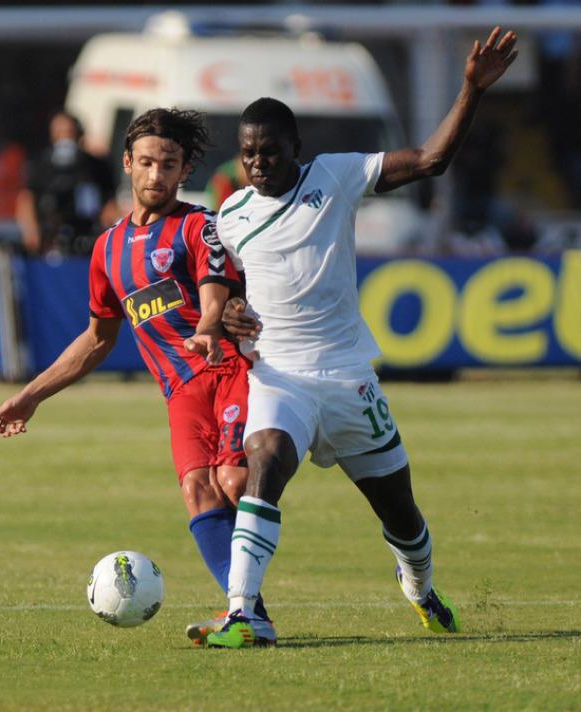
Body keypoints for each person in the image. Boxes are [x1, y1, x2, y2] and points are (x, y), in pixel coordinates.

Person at [204, 27, 518, 648]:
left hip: (347, 376)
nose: (258, 163)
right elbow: (229, 294)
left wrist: (471, 90)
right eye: (248, 153)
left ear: (296, 148)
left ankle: (420, 588)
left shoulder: (336, 176)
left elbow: (429, 160)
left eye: (270, 151)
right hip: (280, 376)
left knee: (399, 512)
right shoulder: (232, 215)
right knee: (265, 459)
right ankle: (244, 612)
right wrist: (231, 313)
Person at [0, 108, 276, 646]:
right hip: (180, 391)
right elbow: (97, 339)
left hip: (228, 370)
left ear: (184, 169)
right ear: (127, 163)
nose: (155, 174)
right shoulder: (107, 249)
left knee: (234, 482)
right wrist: (31, 396)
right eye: (145, 162)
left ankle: (246, 608)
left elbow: (214, 294)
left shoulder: (198, 226)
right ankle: (251, 616)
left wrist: (210, 325)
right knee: (198, 490)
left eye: (168, 164)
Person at [16, 110, 118, 255]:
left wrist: (108, 229)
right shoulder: (40, 165)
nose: (65, 137)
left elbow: (110, 200)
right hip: (50, 235)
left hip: (87, 232)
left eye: (69, 132)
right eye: (59, 132)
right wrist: (31, 230)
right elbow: (26, 199)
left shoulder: (96, 165)